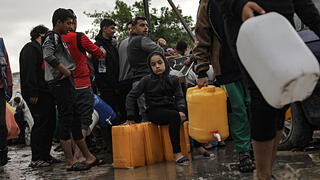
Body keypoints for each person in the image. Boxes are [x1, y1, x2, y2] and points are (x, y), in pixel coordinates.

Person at [212, 0, 320, 179]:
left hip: (282, 26)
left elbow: (304, 5)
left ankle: (267, 169)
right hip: (248, 27)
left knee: (281, 99)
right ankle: (262, 174)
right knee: (263, 96)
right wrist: (239, 5)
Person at [193, 0, 253, 172]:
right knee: (238, 110)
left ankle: (257, 147)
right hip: (226, 66)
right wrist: (202, 71)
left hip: (251, 61)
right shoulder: (207, 4)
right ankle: (244, 153)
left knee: (256, 107)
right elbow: (202, 36)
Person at [42, 8, 102, 171]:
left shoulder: (59, 37)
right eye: (67, 23)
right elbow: (47, 56)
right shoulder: (51, 36)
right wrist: (65, 70)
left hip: (68, 83)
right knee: (66, 120)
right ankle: (70, 161)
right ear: (58, 22)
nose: (70, 26)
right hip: (60, 83)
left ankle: (88, 156)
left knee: (76, 119)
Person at [126, 51, 189, 165]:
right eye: (153, 64)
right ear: (150, 67)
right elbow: (131, 96)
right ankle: (177, 153)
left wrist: (181, 110)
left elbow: (180, 97)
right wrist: (130, 116)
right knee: (174, 116)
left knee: (190, 111)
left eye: (160, 63)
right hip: (154, 112)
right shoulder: (146, 80)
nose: (157, 66)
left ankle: (200, 146)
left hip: (171, 108)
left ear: (165, 62)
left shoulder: (173, 79)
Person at [61, 9, 105, 163]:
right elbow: (99, 53)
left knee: (72, 121)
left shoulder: (55, 39)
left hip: (65, 86)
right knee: (84, 121)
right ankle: (79, 155)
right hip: (83, 85)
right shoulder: (79, 37)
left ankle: (74, 156)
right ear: (73, 21)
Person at [19, 25, 59, 168]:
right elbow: (29, 71)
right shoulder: (30, 48)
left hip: (46, 92)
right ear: (41, 34)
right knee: (40, 124)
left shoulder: (40, 49)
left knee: (50, 123)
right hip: (36, 93)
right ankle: (36, 158)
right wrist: (33, 92)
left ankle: (45, 155)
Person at [91, 18, 122, 152]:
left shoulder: (111, 44)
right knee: (109, 117)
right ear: (104, 29)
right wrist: (112, 86)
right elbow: (102, 71)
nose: (114, 31)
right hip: (107, 88)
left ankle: (118, 143)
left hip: (115, 86)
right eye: (112, 28)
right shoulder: (99, 46)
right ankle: (111, 146)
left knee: (118, 115)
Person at [127, 16, 164, 121]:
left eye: (147, 25)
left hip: (138, 81)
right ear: (133, 29)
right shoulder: (141, 39)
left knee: (145, 115)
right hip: (147, 81)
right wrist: (160, 46)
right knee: (152, 115)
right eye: (142, 25)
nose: (146, 28)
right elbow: (159, 52)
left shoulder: (130, 41)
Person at [0, 37, 13, 167]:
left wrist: (9, 85)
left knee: (2, 125)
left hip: (1, 89)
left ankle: (3, 154)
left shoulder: (0, 43)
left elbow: (7, 66)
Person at [118, 20, 133, 122]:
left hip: (122, 82)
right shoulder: (138, 41)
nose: (131, 30)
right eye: (129, 29)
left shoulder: (121, 43)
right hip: (131, 80)